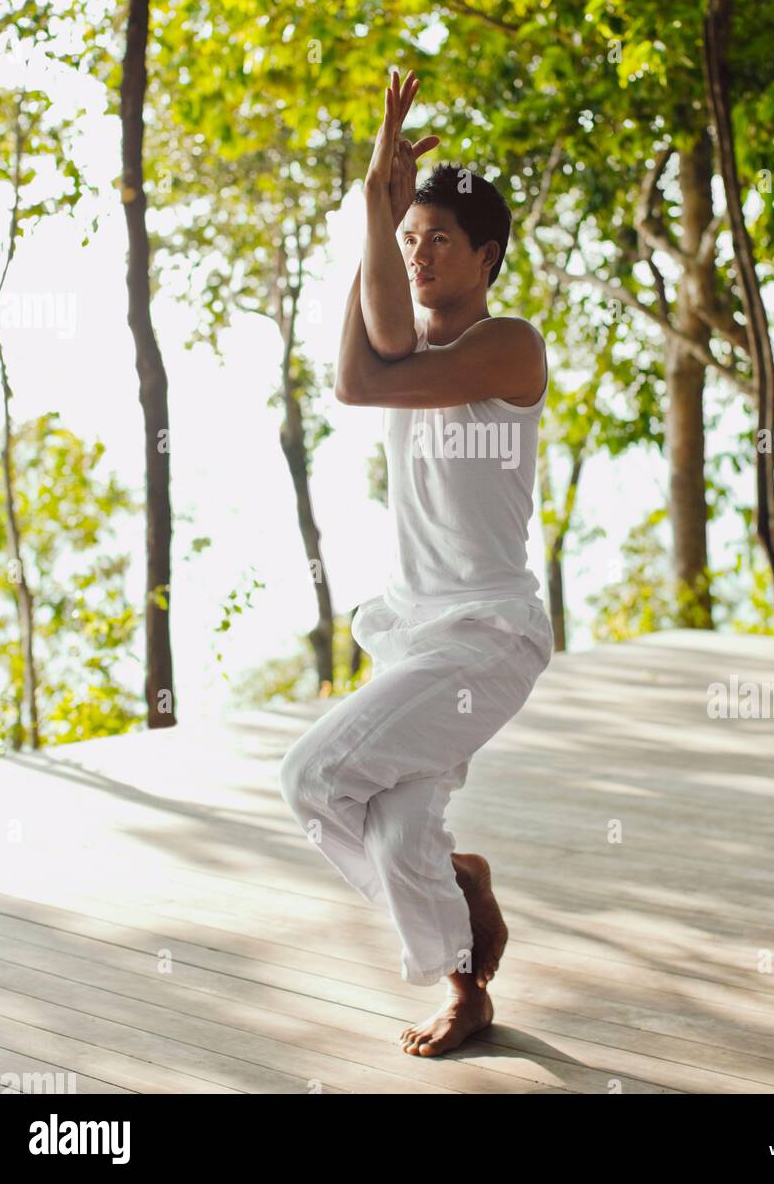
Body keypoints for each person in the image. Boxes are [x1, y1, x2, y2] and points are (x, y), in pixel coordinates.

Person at [278, 68, 553, 1057]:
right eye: (410, 241)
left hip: (485, 642)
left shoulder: (510, 349)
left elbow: (359, 374)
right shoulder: (414, 353)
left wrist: (375, 209)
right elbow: (380, 346)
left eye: (440, 239)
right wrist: (377, 214)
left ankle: (457, 889)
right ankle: (465, 975)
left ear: (485, 257)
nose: (420, 252)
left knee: (309, 776)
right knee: (394, 837)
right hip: (414, 636)